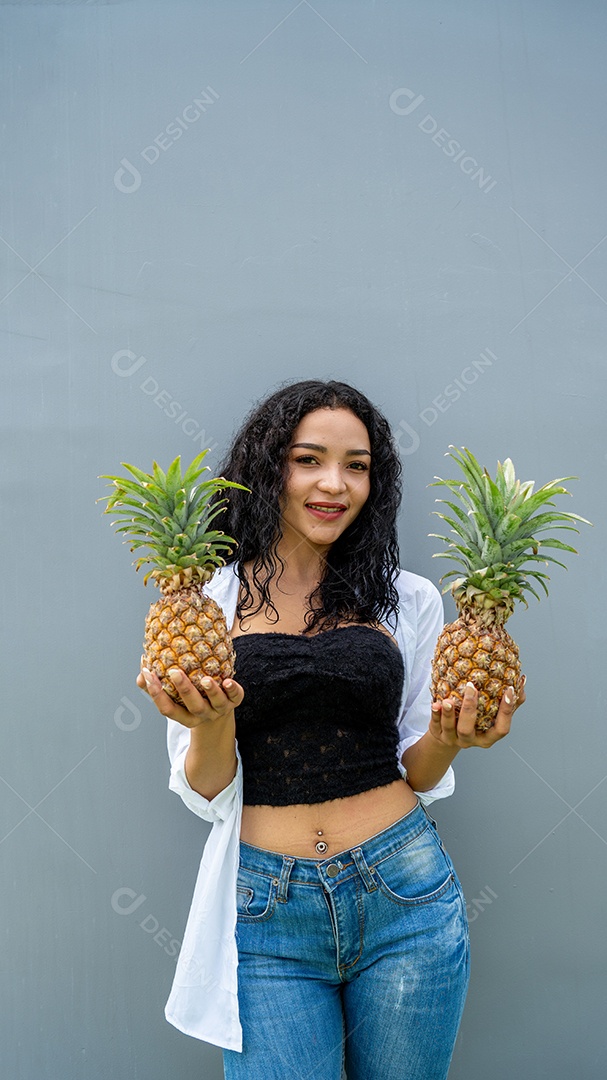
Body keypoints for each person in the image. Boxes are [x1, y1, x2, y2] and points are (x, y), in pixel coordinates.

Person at [137, 379, 525, 1080]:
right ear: (267, 467)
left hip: (404, 894)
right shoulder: (201, 604)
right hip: (264, 913)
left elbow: (418, 769)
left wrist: (452, 737)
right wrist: (213, 720)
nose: (333, 483)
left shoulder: (408, 598)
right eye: (308, 458)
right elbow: (203, 789)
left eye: (356, 465)